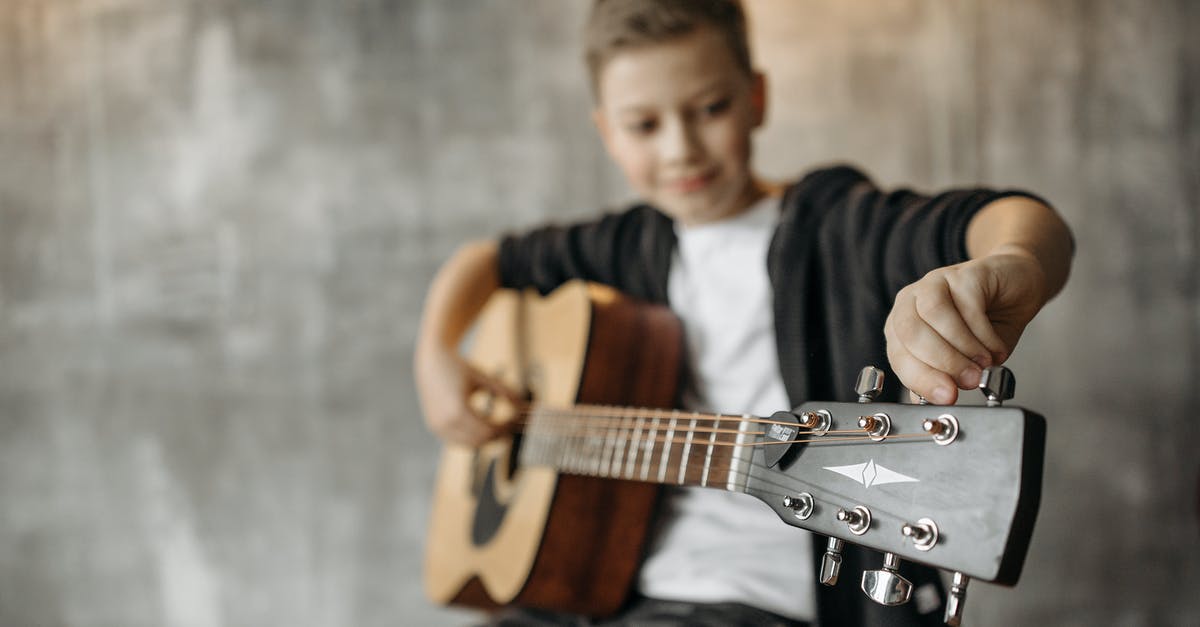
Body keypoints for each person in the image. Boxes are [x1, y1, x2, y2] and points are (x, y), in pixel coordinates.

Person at [414, 1, 1074, 625]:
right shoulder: (631, 243)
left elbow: (1018, 221)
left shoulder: (835, 226)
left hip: (758, 597)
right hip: (603, 588)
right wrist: (435, 355)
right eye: (644, 125)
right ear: (606, 132)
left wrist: (1008, 263)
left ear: (756, 97)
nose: (680, 149)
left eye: (710, 107)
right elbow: (488, 259)